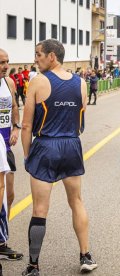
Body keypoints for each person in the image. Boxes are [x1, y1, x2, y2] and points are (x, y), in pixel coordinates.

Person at [21, 39, 97, 275]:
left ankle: (34, 266)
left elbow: (26, 125)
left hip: (46, 145)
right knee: (77, 201)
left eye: (38, 54)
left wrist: (27, 156)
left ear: (52, 56)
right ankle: (85, 255)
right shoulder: (81, 82)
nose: (36, 58)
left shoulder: (38, 81)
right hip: (72, 144)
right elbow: (81, 117)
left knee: (40, 209)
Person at [0, 48, 24, 261]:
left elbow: (15, 106)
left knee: (9, 195)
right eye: (1, 62)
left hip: (5, 146)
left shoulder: (9, 83)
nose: (5, 66)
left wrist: (16, 128)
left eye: (7, 62)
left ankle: (2, 240)